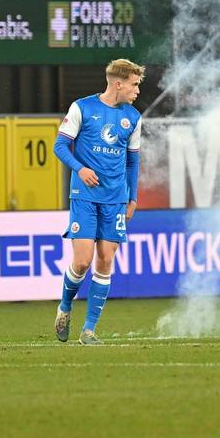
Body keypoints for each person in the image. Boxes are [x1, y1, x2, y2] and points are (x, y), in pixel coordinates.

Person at [51, 59, 145, 345]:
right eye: (134, 84)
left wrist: (132, 198)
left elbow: (133, 161)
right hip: (85, 196)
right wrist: (80, 168)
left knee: (105, 260)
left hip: (115, 199)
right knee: (82, 262)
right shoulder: (82, 108)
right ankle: (65, 307)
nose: (137, 90)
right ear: (118, 83)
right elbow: (59, 146)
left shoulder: (134, 117)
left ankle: (89, 330)